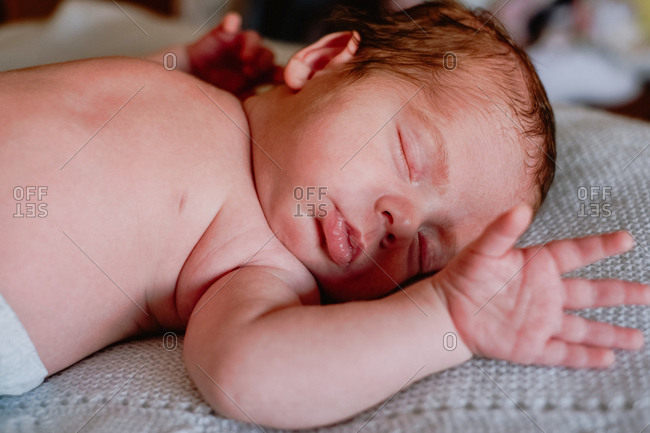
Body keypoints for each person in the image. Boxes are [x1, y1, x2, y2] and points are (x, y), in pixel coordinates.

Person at [1, 1, 648, 429]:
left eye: (426, 252)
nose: (402, 221)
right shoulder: (209, 98)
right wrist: (169, 70)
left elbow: (244, 371)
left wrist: (443, 318)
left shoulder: (260, 261)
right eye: (409, 154)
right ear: (316, 62)